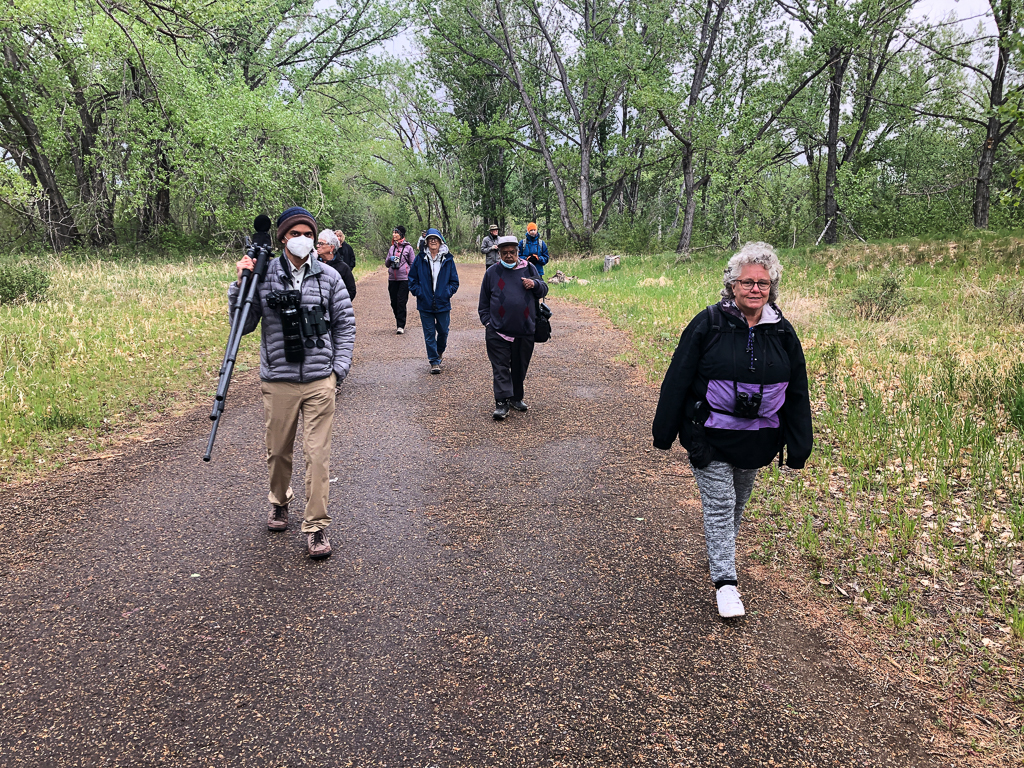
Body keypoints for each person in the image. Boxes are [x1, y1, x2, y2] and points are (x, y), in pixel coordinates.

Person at [652, 242, 812, 618]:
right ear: (732, 285)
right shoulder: (708, 323)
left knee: (737, 504)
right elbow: (677, 378)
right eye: (747, 282)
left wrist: (798, 444)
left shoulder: (782, 331)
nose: (755, 289)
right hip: (708, 435)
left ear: (772, 286)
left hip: (758, 439)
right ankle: (725, 582)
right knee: (721, 506)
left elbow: (797, 390)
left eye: (763, 283)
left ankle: (719, 553)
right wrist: (665, 431)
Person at [230, 206, 355, 560]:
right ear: (282, 237)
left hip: (319, 380)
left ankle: (316, 526)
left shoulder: (329, 277)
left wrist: (337, 371)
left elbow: (345, 325)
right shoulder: (264, 275)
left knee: (317, 456)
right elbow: (245, 322)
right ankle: (279, 501)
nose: (302, 239)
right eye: (294, 233)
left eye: (308, 233)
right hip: (279, 380)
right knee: (278, 452)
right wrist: (241, 282)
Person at [478, 235, 548, 420]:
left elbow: (544, 289)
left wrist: (534, 284)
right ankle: (501, 402)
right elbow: (483, 303)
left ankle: (516, 398)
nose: (509, 256)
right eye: (504, 253)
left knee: (519, 367)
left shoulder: (529, 268)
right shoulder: (492, 272)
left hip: (525, 329)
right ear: (499, 254)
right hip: (498, 331)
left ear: (518, 252)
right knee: (500, 367)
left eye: (512, 252)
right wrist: (488, 323)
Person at [408, 227, 459, 374]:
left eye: (435, 239)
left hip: (443, 303)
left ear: (440, 241)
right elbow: (412, 280)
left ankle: (439, 351)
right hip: (425, 304)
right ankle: (434, 361)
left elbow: (454, 282)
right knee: (429, 333)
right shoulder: (420, 258)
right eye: (430, 239)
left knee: (443, 331)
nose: (433, 241)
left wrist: (446, 293)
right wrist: (420, 292)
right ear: (426, 242)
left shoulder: (448, 259)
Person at [385, 226, 416, 334]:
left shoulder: (408, 248)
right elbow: (386, 264)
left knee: (401, 302)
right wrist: (390, 258)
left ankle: (400, 325)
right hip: (392, 278)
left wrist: (412, 277)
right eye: (393, 232)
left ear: (401, 234)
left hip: (404, 279)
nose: (394, 235)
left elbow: (413, 264)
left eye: (396, 233)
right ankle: (398, 318)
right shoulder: (392, 248)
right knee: (394, 302)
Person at [316, 229, 356, 300]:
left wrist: (339, 304)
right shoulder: (313, 265)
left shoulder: (343, 268)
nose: (317, 246)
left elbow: (351, 291)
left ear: (331, 248)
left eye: (321, 243)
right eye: (318, 243)